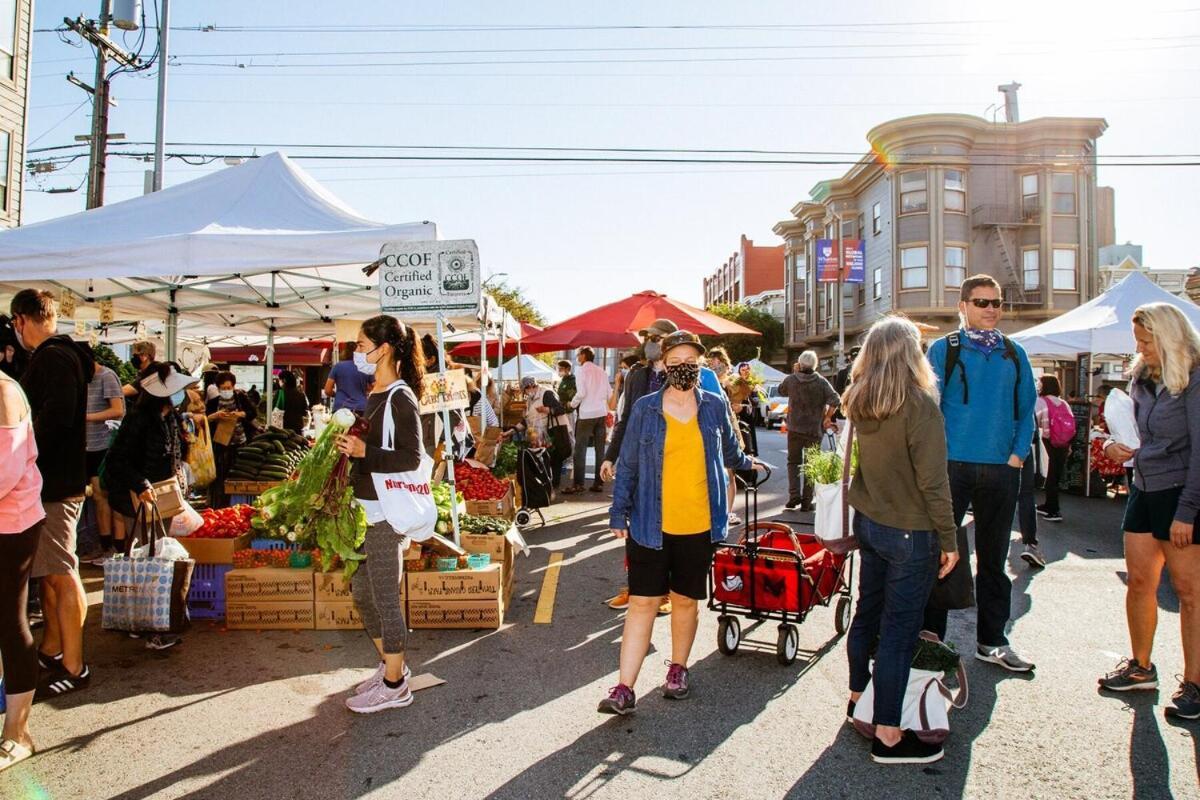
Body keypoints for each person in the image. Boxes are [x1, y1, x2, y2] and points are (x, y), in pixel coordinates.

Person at [601, 331, 761, 715]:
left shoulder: (714, 405)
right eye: (676, 361)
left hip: (698, 522)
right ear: (663, 365)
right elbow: (630, 465)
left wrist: (749, 464)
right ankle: (624, 687)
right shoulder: (644, 408)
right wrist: (618, 511)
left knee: (686, 601)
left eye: (692, 361)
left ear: (701, 365)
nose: (684, 368)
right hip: (648, 522)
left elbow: (730, 451)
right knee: (642, 602)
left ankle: (678, 669)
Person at [842, 316, 959, 765]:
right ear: (911, 354)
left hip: (870, 522)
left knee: (868, 612)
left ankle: (860, 698)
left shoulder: (859, 399)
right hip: (911, 530)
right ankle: (888, 730)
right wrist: (949, 538)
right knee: (898, 629)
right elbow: (935, 483)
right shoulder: (919, 405)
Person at [923, 274, 1037, 673]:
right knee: (940, 556)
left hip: (1001, 470)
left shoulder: (1014, 352)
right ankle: (931, 642)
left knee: (993, 561)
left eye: (997, 303)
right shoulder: (943, 350)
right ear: (964, 305)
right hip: (951, 469)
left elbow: (1027, 409)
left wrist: (1017, 456)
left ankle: (992, 641)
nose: (991, 309)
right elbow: (928, 410)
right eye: (982, 302)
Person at [1097, 303, 1200, 720]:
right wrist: (1112, 445)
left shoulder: (1194, 377)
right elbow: (1136, 431)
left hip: (1182, 493)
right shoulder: (1142, 375)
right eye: (1137, 340)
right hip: (1143, 486)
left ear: (1170, 337)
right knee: (1139, 581)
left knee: (1190, 593)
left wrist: (1188, 511)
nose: (1139, 348)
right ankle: (1142, 668)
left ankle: (1194, 683)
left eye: (1146, 340)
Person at [337, 315, 426, 714]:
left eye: (360, 345)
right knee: (362, 592)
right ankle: (391, 666)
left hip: (387, 515)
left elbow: (412, 457)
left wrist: (363, 453)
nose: (357, 352)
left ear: (383, 348)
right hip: (369, 510)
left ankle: (395, 685)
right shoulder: (379, 391)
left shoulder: (400, 397)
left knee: (385, 598)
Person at [10, 290, 95, 698]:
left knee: (62, 573)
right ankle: (53, 646)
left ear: (22, 319)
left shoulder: (53, 357)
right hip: (54, 482)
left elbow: (56, 416)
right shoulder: (61, 355)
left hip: (56, 484)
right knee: (51, 574)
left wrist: (22, 447)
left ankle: (76, 666)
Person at [104, 363, 196, 651]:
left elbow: (171, 453)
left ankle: (145, 618)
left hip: (163, 495)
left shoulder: (168, 416)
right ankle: (151, 627)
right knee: (152, 560)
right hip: (144, 497)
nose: (183, 393)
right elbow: (119, 460)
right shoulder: (140, 418)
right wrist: (142, 485)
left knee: (157, 554)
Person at [0, 369, 45, 770]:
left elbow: (5, 469)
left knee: (11, 620)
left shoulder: (3, 391)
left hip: (11, 523)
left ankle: (16, 733)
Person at [779, 350, 840, 512]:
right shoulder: (821, 381)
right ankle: (807, 501)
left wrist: (794, 373)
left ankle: (793, 495)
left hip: (794, 428)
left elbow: (781, 390)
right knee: (810, 464)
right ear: (815, 364)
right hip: (814, 429)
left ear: (799, 363)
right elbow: (836, 399)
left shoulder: (792, 380)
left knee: (793, 462)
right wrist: (827, 417)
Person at [83, 348, 125, 559]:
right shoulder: (81, 377)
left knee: (108, 497)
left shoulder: (106, 376)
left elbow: (118, 410)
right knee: (98, 498)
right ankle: (104, 546)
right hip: (88, 447)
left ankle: (116, 549)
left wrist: (87, 417)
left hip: (105, 446)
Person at [563, 347, 610, 495]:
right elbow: (609, 392)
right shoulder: (602, 371)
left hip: (587, 413)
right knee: (600, 450)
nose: (577, 357)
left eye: (578, 355)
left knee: (580, 450)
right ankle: (599, 483)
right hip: (601, 412)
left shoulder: (581, 370)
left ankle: (578, 484)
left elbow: (581, 392)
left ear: (583, 356)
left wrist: (572, 404)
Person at [1034, 375, 1070, 524]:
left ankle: (1053, 510)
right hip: (1063, 443)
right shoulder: (1063, 403)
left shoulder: (1041, 402)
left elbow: (1033, 421)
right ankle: (1048, 505)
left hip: (1047, 442)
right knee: (1054, 476)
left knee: (1048, 475)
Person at [325, 342, 373, 414]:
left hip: (340, 407)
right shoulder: (365, 367)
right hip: (361, 408)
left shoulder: (338, 367)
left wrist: (336, 394)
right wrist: (366, 391)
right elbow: (376, 386)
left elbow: (327, 390)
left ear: (345, 352)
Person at [727, 362, 761, 457]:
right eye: (743, 370)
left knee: (748, 449)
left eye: (747, 370)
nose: (745, 372)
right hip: (735, 418)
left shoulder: (753, 385)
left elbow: (755, 402)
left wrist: (744, 406)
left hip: (748, 419)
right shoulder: (734, 383)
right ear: (739, 371)